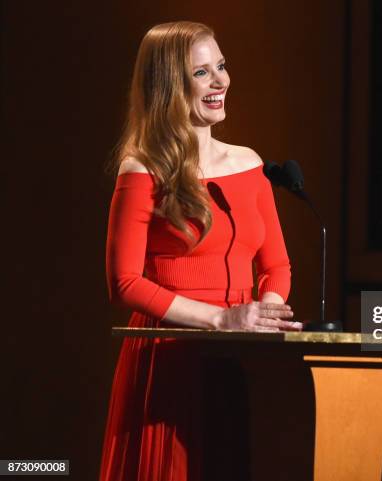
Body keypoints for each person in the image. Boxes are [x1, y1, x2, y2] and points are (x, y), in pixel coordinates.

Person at [98, 21, 302, 481]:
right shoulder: (142, 169)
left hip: (243, 357)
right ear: (170, 84)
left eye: (222, 67)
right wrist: (219, 320)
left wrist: (263, 317)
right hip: (172, 350)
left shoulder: (249, 164)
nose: (221, 81)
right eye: (201, 73)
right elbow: (124, 282)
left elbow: (277, 265)